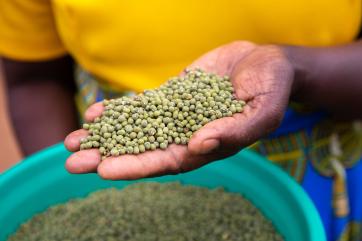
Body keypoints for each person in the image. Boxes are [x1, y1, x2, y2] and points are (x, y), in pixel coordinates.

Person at [1, 1, 361, 240]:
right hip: (116, 160)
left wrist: (297, 70)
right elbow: (33, 79)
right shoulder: (116, 145)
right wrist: (71, 187)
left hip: (326, 154)